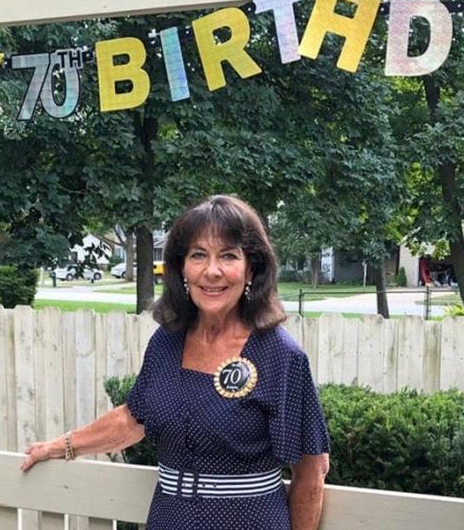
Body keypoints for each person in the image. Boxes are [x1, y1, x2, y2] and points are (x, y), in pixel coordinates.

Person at [20, 195, 330, 529]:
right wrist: (60, 446)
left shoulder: (280, 356)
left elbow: (311, 469)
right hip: (170, 519)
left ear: (251, 268)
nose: (212, 271)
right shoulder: (166, 342)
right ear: (181, 268)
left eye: (228, 256)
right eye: (199, 255)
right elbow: (132, 419)